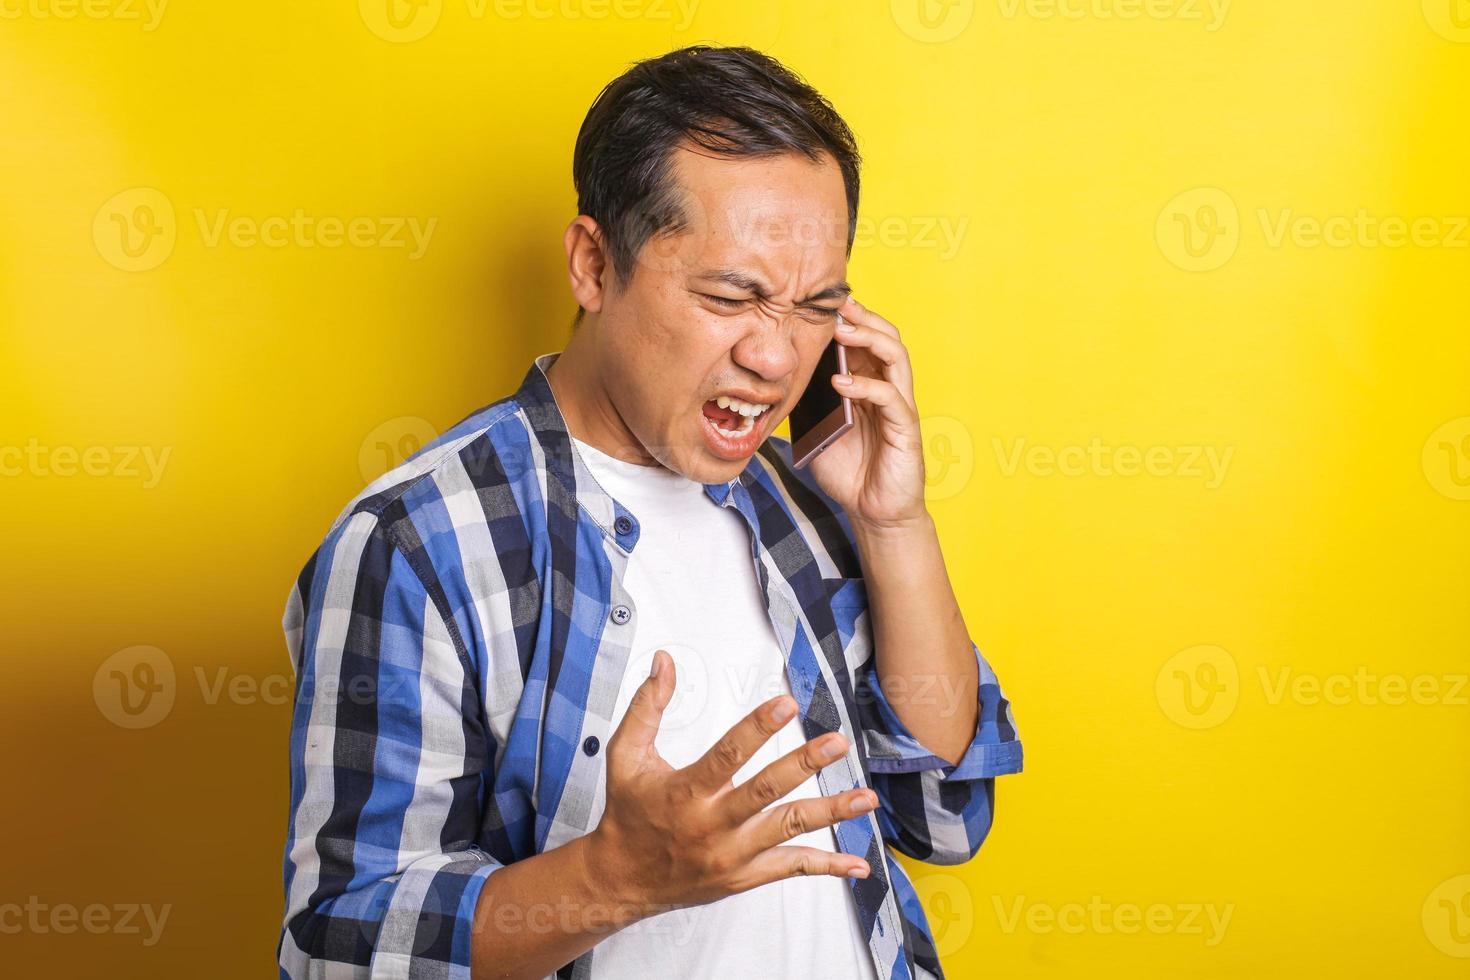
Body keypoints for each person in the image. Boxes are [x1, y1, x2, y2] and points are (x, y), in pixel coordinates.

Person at [278, 44, 1022, 980]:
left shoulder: (804, 501)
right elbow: (339, 948)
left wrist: (893, 526)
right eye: (732, 295)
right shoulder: (422, 543)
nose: (777, 357)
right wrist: (617, 879)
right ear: (594, 265)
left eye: (815, 306)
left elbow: (944, 815)